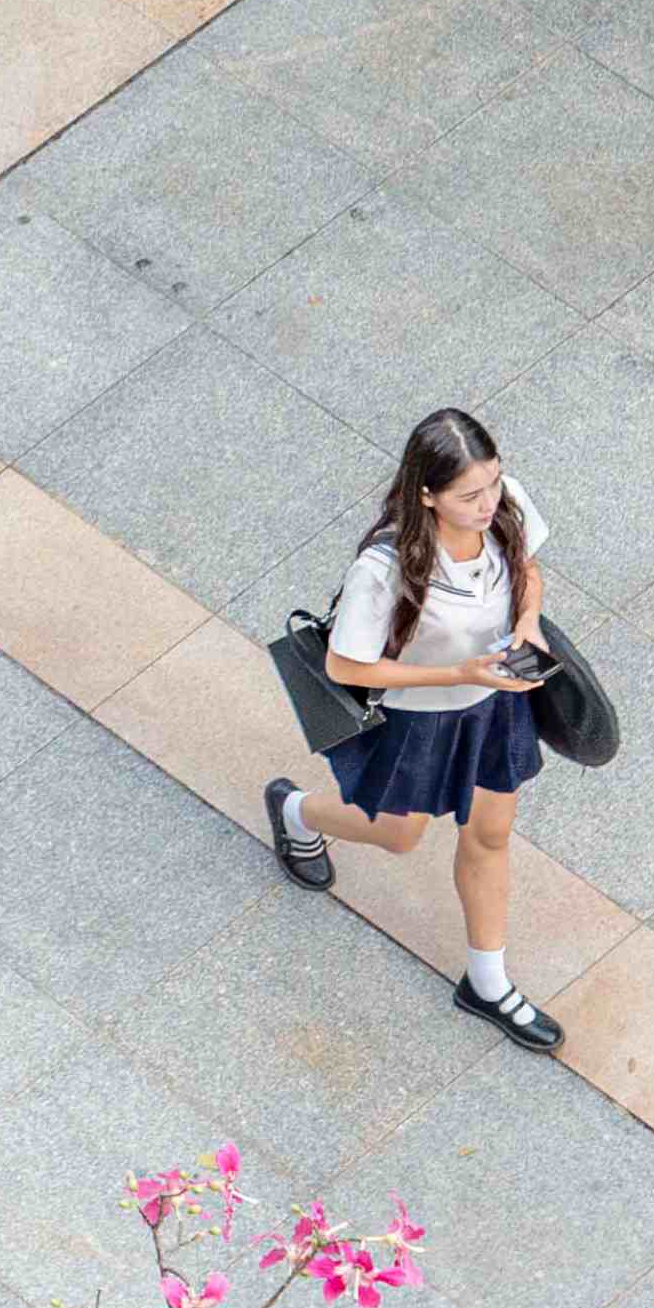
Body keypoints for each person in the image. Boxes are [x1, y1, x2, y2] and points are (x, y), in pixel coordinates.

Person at [262, 406, 565, 1055]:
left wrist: (529, 625)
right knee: (400, 835)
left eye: (494, 483)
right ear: (427, 494)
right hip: (421, 718)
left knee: (489, 836)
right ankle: (294, 811)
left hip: (495, 707)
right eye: (469, 495)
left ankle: (488, 983)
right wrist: (459, 670)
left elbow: (529, 569)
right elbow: (346, 663)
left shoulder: (503, 505)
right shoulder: (388, 565)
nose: (489, 502)